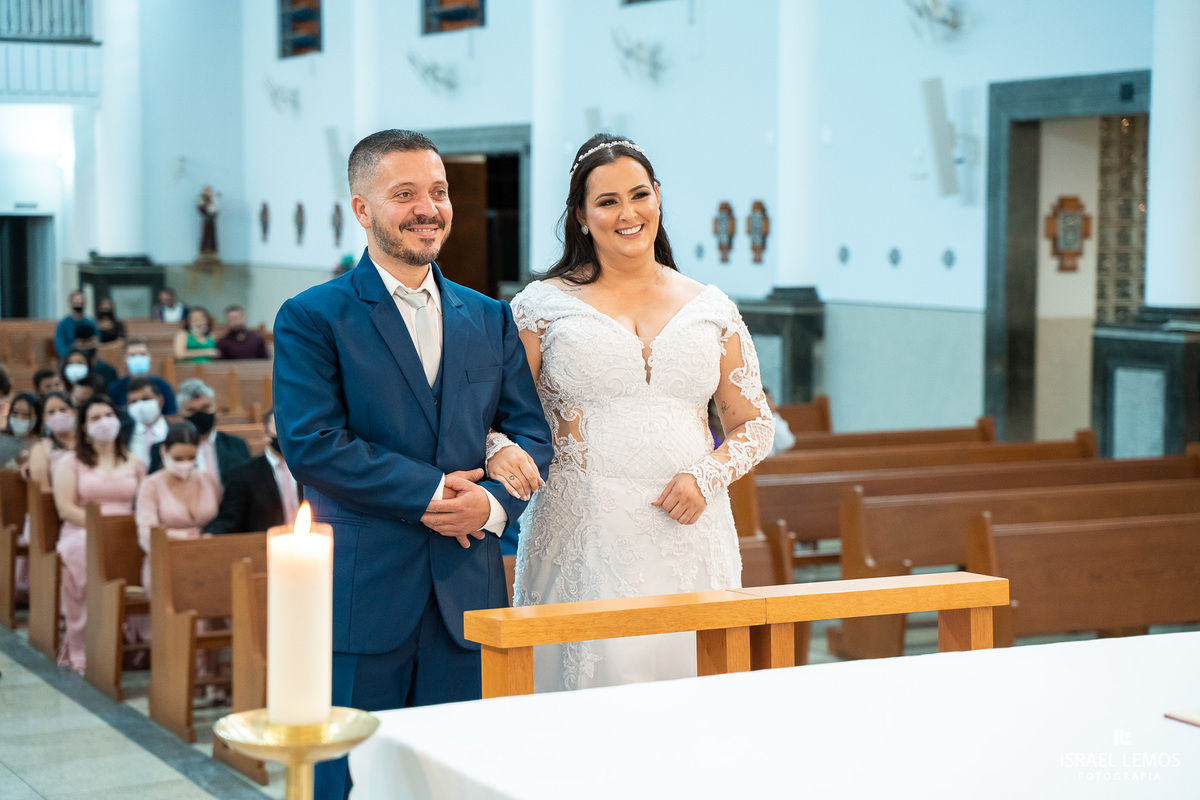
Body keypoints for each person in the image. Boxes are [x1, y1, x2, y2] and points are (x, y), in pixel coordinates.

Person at [272, 128, 553, 800]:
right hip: (365, 594)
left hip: (467, 587)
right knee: (348, 779)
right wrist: (431, 491)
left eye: (438, 191)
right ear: (363, 209)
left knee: (456, 776)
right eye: (405, 194)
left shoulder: (488, 317)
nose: (428, 208)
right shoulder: (314, 316)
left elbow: (529, 431)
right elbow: (312, 442)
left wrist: (490, 506)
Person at [488, 134, 774, 692]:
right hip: (583, 530)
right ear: (581, 215)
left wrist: (707, 473)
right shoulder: (541, 307)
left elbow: (755, 422)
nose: (628, 214)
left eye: (639, 195)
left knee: (691, 692)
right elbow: (488, 414)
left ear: (659, 198)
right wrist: (499, 450)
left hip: (690, 527)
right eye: (608, 201)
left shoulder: (711, 308)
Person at [52, 395, 146, 673]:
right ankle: (86, 646)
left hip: (127, 532)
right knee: (83, 552)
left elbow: (144, 504)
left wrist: (124, 530)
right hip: (82, 531)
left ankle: (140, 643)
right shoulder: (70, 462)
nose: (103, 422)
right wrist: (102, 528)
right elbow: (65, 508)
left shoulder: (135, 462)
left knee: (149, 550)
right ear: (83, 427)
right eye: (95, 418)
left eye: (108, 415)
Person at [135, 421, 222, 594]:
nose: (185, 463)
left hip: (206, 560)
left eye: (191, 458)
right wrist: (181, 537)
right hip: (166, 563)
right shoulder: (150, 485)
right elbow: (146, 535)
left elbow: (223, 518)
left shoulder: (209, 480)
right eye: (178, 458)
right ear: (163, 451)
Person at [205, 409, 300, 534]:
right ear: (265, 434)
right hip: (265, 546)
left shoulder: (311, 469)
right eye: (279, 428)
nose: (286, 433)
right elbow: (230, 518)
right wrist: (209, 535)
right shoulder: (244, 474)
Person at [148, 378, 250, 479]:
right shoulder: (163, 449)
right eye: (191, 410)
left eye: (205, 408)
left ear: (215, 407)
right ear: (181, 413)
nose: (200, 415)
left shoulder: (237, 445)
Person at [106, 337, 179, 414]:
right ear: (125, 358)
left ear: (149, 356)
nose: (138, 358)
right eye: (133, 355)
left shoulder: (164, 386)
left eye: (142, 354)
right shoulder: (115, 388)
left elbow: (171, 413)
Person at [26, 392, 75, 491]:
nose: (58, 414)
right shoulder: (41, 449)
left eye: (63, 409)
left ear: (74, 412)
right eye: (51, 412)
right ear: (44, 418)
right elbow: (42, 490)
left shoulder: (89, 443)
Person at [125, 377, 169, 467]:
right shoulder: (124, 434)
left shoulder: (174, 429)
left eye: (146, 399)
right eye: (134, 401)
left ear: (160, 400)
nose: (140, 405)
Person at [0, 392, 42, 469]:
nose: (19, 418)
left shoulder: (43, 445)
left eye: (26, 414)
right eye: (15, 413)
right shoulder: (2, 442)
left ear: (37, 417)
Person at [55, 290, 95, 357]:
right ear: (70, 303)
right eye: (76, 302)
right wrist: (74, 347)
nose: (79, 304)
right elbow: (60, 348)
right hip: (68, 358)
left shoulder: (91, 323)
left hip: (89, 357)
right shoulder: (62, 324)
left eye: (81, 301)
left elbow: (97, 341)